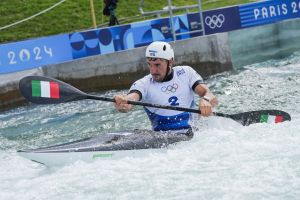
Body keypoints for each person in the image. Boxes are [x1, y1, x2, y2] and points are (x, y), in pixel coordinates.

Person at [114, 41, 218, 136]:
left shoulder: (186, 73)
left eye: (157, 65)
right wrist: (124, 103)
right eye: (150, 65)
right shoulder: (143, 84)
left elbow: (209, 94)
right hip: (163, 139)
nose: (153, 70)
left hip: (194, 133)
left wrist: (206, 100)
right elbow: (131, 100)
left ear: (170, 61)